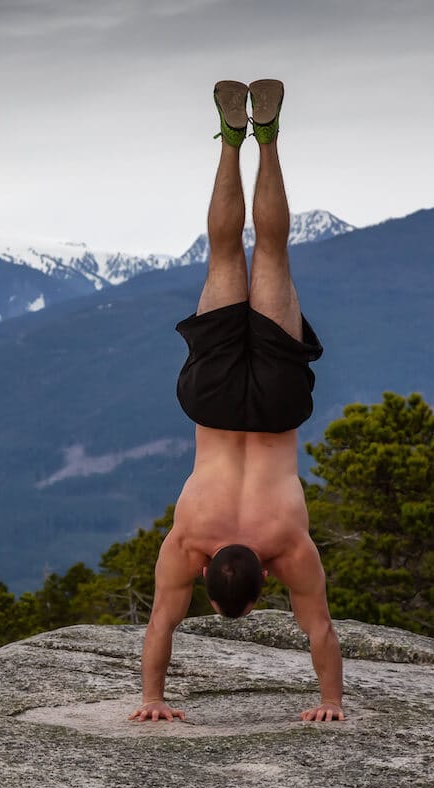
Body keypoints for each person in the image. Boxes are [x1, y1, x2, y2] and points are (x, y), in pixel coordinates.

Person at [128, 79, 344, 724]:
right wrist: (150, 697)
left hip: (277, 407)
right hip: (214, 402)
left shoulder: (289, 547)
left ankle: (259, 140)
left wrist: (331, 701)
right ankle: (234, 141)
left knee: (268, 252)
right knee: (227, 254)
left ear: (263, 584)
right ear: (209, 574)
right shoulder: (189, 544)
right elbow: (161, 627)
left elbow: (321, 635)